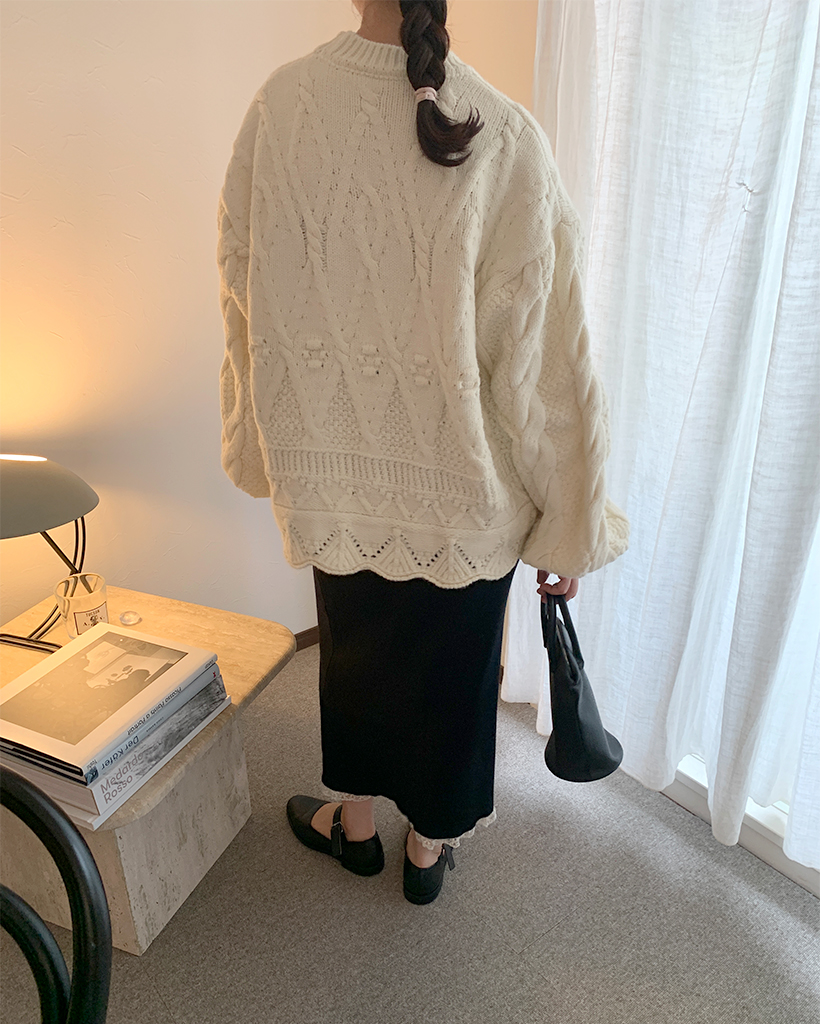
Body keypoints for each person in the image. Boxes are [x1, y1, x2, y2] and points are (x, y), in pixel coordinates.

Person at [217, 0, 629, 905]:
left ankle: (356, 828)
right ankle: (427, 852)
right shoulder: (504, 134)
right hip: (466, 498)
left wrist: (258, 444)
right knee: (453, 681)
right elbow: (544, 361)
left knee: (354, 658)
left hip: (336, 482)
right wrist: (571, 519)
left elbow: (242, 286)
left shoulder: (281, 107)